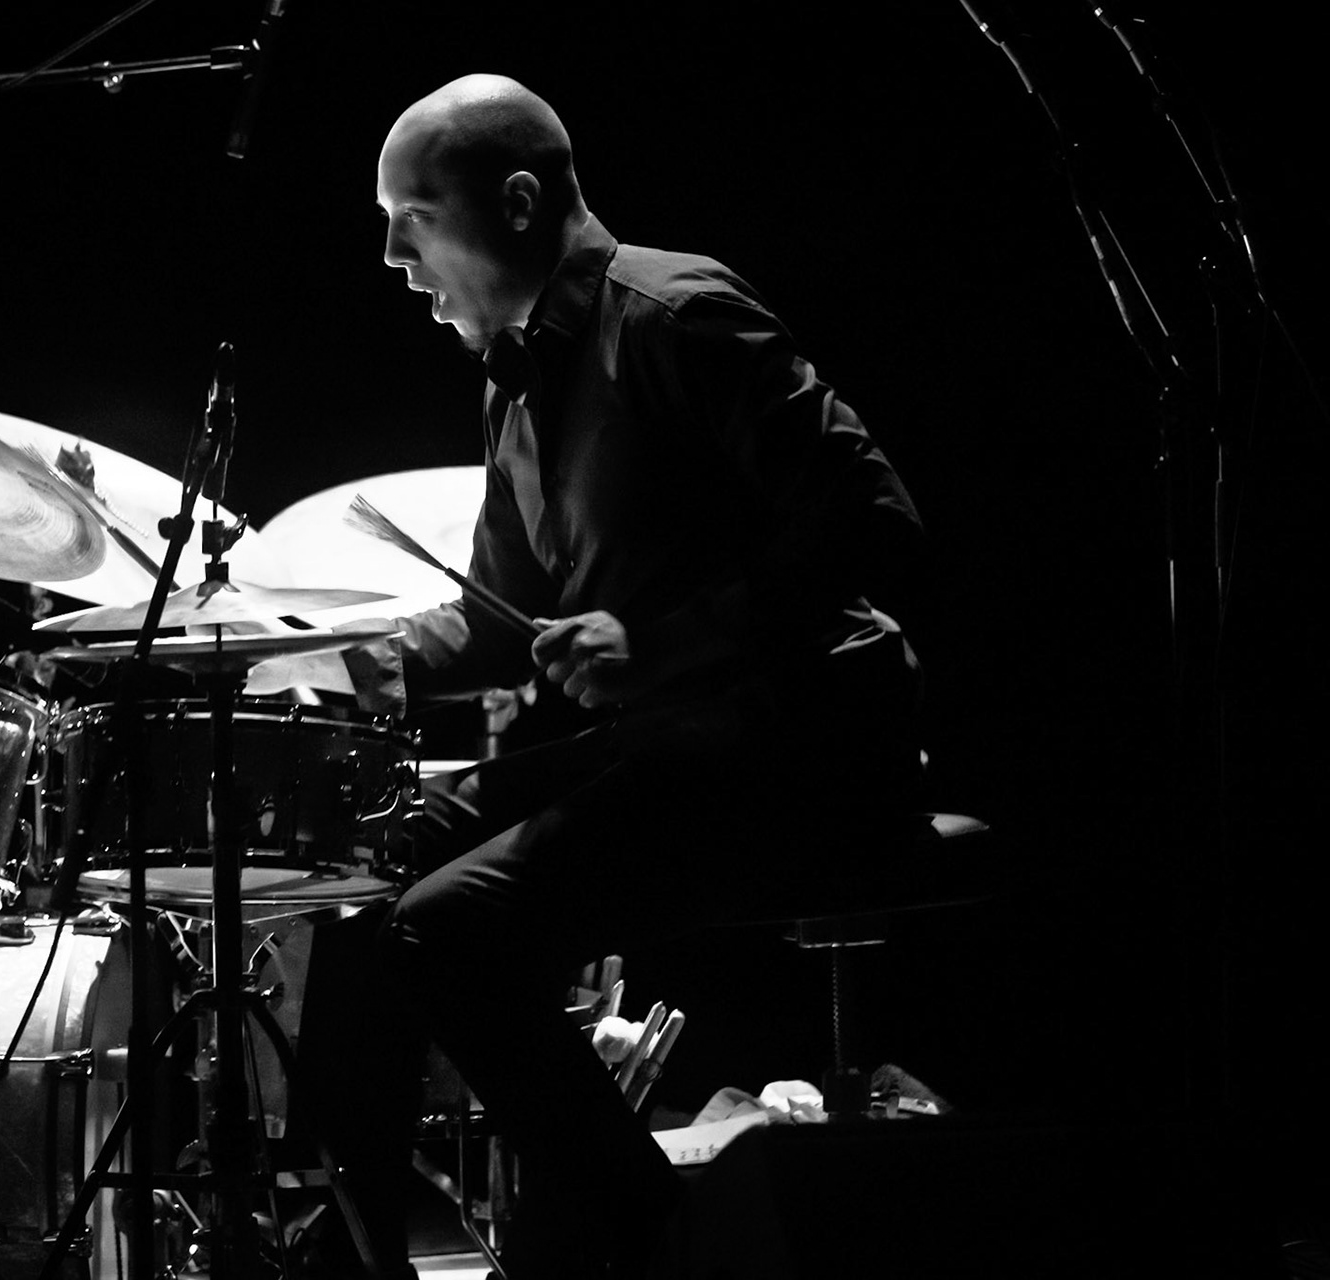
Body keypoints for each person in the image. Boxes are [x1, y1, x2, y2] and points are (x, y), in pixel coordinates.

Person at [294, 74, 928, 1280]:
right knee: (368, 870)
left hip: (806, 749)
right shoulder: (517, 374)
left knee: (449, 925)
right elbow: (499, 610)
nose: (388, 253)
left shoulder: (675, 312)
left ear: (519, 201)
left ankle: (627, 1221)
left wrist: (665, 643)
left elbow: (879, 520)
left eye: (412, 214)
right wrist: (346, 663)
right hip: (677, 749)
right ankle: (361, 1254)